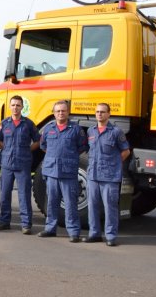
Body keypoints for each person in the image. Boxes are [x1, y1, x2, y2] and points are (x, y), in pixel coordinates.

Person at [37, 100, 88, 241]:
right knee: (51, 202)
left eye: (63, 110)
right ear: (54, 113)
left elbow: (82, 147)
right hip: (52, 172)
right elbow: (43, 145)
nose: (61, 113)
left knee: (71, 203)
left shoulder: (76, 129)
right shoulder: (48, 129)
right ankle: (50, 229)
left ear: (68, 112)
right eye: (58, 111)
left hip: (68, 172)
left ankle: (73, 232)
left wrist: (67, 158)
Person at [83, 103, 130, 247]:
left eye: (103, 112)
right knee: (92, 206)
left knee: (110, 207)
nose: (99, 114)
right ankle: (94, 234)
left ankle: (110, 236)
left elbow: (126, 151)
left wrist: (114, 164)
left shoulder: (116, 132)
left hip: (109, 176)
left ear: (109, 114)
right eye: (97, 112)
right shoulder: (91, 131)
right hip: (93, 175)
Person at [0, 95, 39, 234]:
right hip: (7, 164)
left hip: (23, 164)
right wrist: (6, 148)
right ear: (10, 106)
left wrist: (26, 150)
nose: (15, 107)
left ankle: (26, 224)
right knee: (4, 194)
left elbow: (37, 141)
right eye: (13, 105)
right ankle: (4, 221)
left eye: (18, 105)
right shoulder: (4, 123)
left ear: (22, 107)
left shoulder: (29, 124)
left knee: (24, 195)